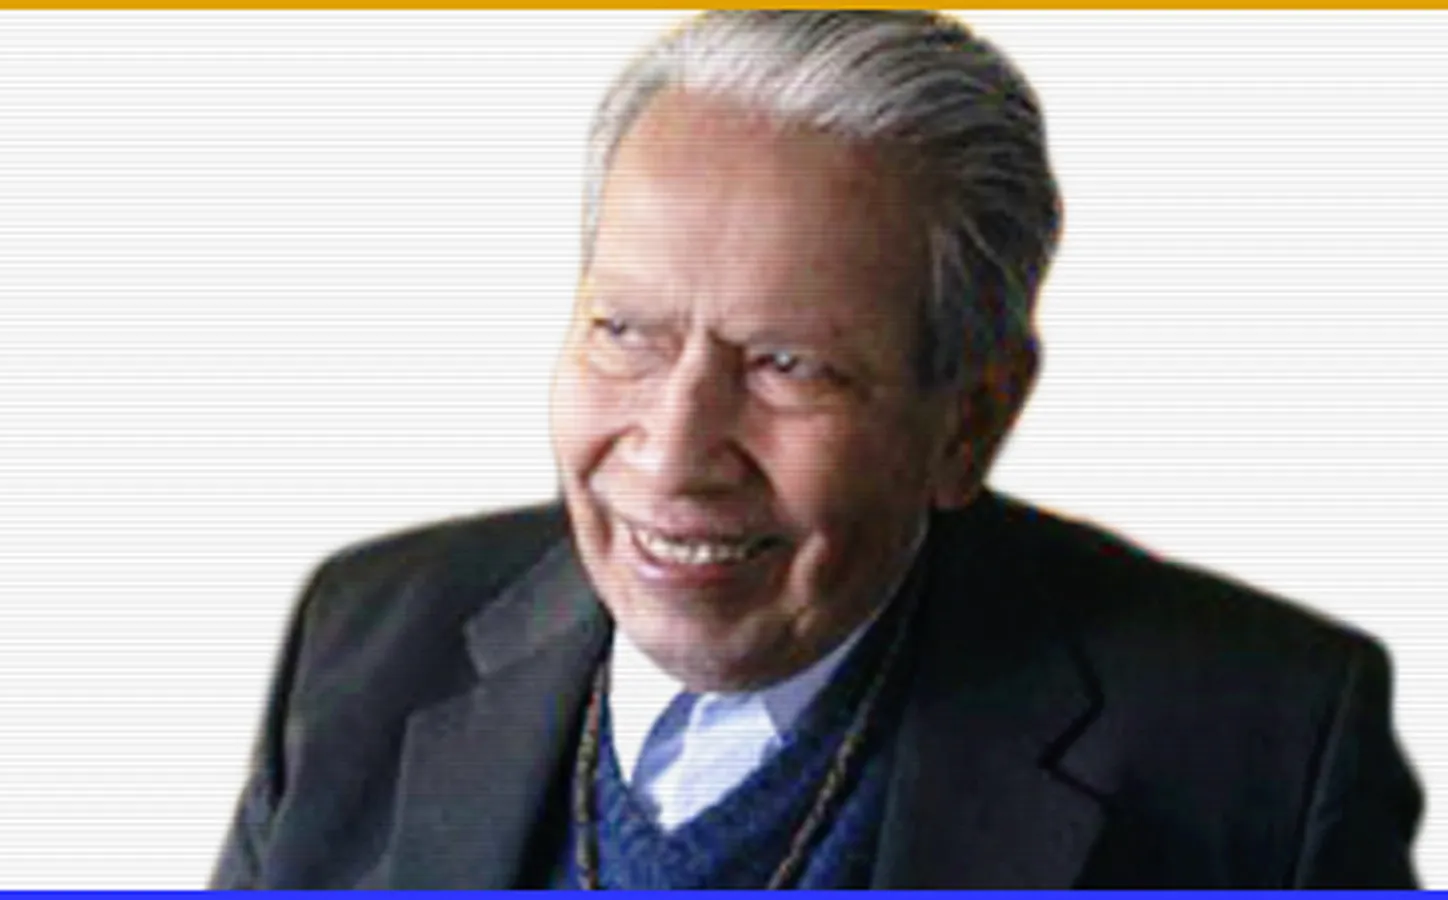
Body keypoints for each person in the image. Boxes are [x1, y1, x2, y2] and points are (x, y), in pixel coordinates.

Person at [207, 10, 1422, 888]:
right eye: (626, 333)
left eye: (788, 365)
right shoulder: (365, 642)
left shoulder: (1262, 750)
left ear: (970, 419)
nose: (674, 455)